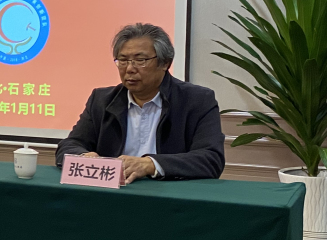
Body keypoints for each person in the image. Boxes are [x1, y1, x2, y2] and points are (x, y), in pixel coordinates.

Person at [55, 23, 224, 183]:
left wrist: (151, 164)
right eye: (123, 60)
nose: (129, 69)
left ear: (165, 63)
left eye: (140, 60)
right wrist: (84, 157)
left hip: (169, 196)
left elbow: (211, 159)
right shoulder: (101, 100)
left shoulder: (197, 100)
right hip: (114, 193)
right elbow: (69, 146)